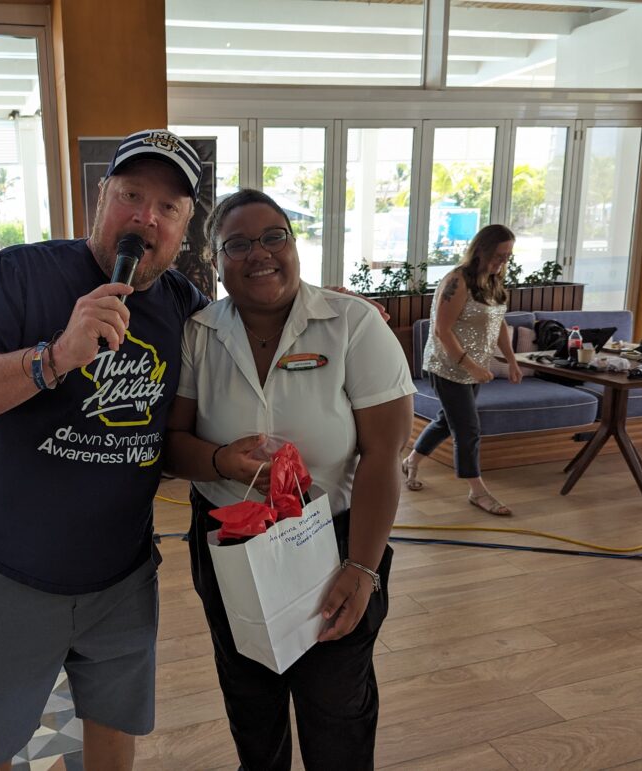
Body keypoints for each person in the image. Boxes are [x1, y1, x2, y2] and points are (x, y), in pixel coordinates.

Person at [0, 129, 208, 771]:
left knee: (115, 739)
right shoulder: (17, 276)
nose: (146, 217)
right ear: (101, 200)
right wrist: (53, 358)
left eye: (168, 207)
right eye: (131, 195)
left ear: (183, 229)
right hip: (8, 578)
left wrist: (328, 317)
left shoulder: (184, 307)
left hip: (123, 579)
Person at [163, 189, 415, 771]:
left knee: (336, 703)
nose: (260, 254)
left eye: (274, 236)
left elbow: (384, 455)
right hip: (231, 542)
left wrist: (362, 569)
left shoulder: (351, 323)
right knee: (250, 698)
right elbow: (172, 445)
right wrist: (222, 461)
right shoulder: (199, 332)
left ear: (295, 244)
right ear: (216, 261)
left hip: (336, 542)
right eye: (238, 244)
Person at [401, 223, 523, 515]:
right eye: (498, 255)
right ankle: (477, 491)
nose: (502, 262)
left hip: (475, 367)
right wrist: (471, 366)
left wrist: (511, 360)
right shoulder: (457, 280)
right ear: (481, 250)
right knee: (468, 428)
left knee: (448, 420)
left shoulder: (493, 281)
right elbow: (442, 330)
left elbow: (499, 323)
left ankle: (411, 461)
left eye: (507, 256)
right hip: (446, 365)